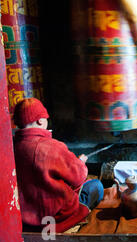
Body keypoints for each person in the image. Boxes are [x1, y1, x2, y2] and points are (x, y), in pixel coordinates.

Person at [12, 98, 104, 233]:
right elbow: (78, 178)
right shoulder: (52, 147)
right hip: (55, 219)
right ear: (40, 121)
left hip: (25, 219)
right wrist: (79, 163)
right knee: (95, 186)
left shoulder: (11, 147)